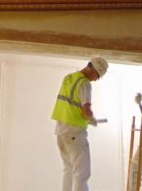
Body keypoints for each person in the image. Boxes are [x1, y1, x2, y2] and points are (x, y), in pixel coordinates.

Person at [51, 57, 109, 191]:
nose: (95, 80)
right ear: (94, 69)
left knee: (68, 169)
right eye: (97, 76)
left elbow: (71, 104)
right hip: (75, 133)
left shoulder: (68, 77)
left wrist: (88, 117)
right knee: (81, 174)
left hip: (61, 132)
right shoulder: (85, 84)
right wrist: (91, 118)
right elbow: (86, 110)